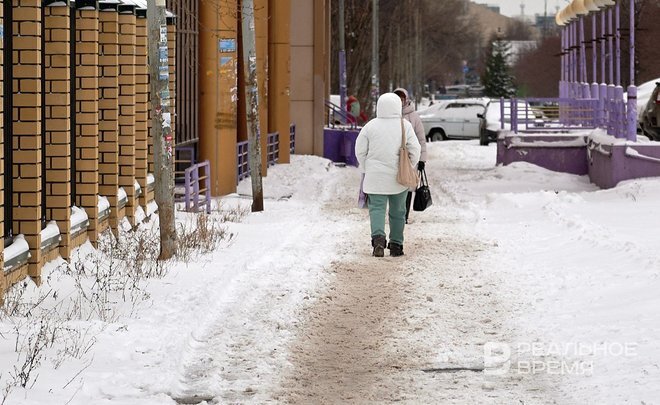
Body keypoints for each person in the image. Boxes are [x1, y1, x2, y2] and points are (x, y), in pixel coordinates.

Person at [355, 93, 421, 257]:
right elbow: (415, 149)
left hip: (375, 177)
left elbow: (360, 150)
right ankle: (396, 245)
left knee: (376, 209)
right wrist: (408, 166)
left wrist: (366, 167)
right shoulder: (404, 125)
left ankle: (378, 241)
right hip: (399, 178)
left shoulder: (370, 126)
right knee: (398, 211)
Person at [393, 88, 427, 224]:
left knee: (407, 185)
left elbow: (421, 139)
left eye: (402, 98)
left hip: (410, 157)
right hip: (393, 155)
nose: (400, 101)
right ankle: (395, 213)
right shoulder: (388, 115)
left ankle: (404, 216)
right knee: (394, 185)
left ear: (406, 99)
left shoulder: (414, 117)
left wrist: (422, 159)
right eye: (397, 98)